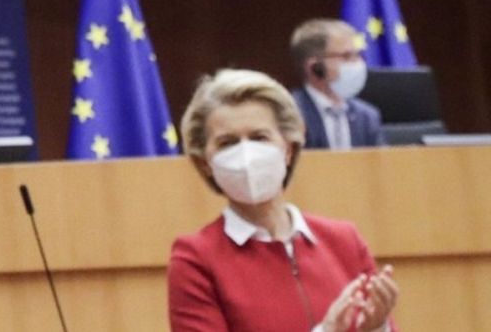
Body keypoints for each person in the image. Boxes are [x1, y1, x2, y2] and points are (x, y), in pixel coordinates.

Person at [168, 69, 400, 331]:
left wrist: (377, 327)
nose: (246, 153)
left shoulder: (344, 240)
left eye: (259, 137)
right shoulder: (196, 258)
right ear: (204, 162)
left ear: (288, 149)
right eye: (227, 143)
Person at [290, 19, 385, 150]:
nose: (357, 63)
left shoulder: (367, 116)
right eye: (346, 56)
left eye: (357, 55)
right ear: (314, 66)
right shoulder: (289, 113)